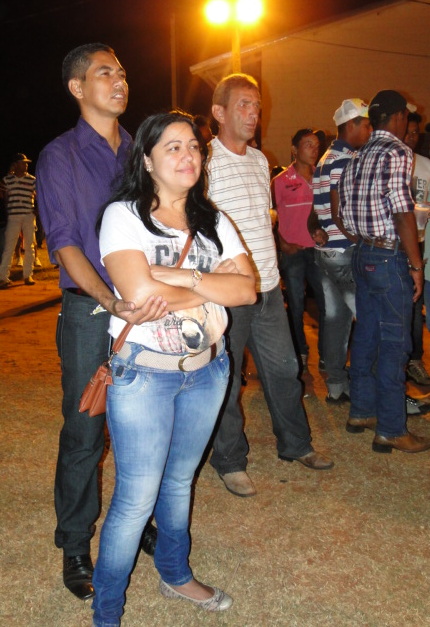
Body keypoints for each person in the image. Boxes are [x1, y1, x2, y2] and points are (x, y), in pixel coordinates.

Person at [92, 111, 256, 625]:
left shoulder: (215, 220)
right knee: (135, 499)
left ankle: (174, 572)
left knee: (180, 481)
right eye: (173, 147)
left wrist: (180, 277)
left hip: (208, 370)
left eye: (194, 147)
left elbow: (248, 291)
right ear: (147, 160)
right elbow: (139, 293)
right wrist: (211, 282)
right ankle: (107, 612)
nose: (189, 156)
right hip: (144, 373)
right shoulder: (123, 216)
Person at [36, 43, 165, 602]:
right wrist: (110, 302)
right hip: (93, 312)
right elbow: (65, 242)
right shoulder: (59, 156)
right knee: (86, 429)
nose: (119, 81)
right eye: (104, 73)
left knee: (144, 426)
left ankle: (137, 521)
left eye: (122, 72)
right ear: (77, 87)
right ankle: (74, 542)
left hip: (148, 306)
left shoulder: (141, 151)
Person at [207, 73, 334, 499]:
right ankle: (230, 460)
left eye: (257, 106)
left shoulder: (262, 161)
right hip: (229, 292)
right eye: (243, 105)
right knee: (227, 379)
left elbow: (262, 222)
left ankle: (296, 444)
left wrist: (273, 276)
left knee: (284, 370)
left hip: (266, 288)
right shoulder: (204, 162)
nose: (254, 114)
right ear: (219, 112)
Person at [338, 89, 430, 454]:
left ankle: (362, 411)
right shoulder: (397, 151)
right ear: (398, 117)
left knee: (366, 335)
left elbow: (342, 210)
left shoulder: (357, 156)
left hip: (363, 252)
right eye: (406, 117)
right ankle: (391, 428)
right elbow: (401, 209)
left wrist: (364, 238)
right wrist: (416, 264)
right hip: (389, 258)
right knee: (394, 343)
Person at [309, 99, 371, 404]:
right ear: (351, 125)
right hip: (344, 251)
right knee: (370, 319)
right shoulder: (345, 159)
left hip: (326, 253)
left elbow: (319, 209)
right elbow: (338, 209)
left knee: (335, 320)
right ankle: (370, 387)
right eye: (366, 125)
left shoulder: (325, 159)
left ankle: (336, 386)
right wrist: (357, 238)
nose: (370, 131)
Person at [272, 128, 325, 371]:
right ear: (294, 149)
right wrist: (283, 244)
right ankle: (300, 350)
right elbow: (269, 217)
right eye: (308, 145)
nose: (314, 150)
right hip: (293, 252)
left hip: (318, 251)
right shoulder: (280, 181)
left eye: (316, 145)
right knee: (295, 304)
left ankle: (326, 353)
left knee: (326, 304)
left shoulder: (322, 178)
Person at [404, 112, 430, 386]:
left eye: (415, 133)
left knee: (415, 303)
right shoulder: (391, 163)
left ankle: (415, 359)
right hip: (394, 245)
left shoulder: (426, 165)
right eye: (408, 131)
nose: (412, 137)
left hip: (421, 243)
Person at [0, 153, 37, 287]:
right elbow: (3, 196)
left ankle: (28, 275)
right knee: (9, 247)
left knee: (29, 246)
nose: (26, 165)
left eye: (26, 163)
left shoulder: (32, 180)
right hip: (13, 216)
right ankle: (3, 277)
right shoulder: (7, 180)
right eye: (23, 162)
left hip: (28, 216)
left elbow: (38, 196)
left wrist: (35, 210)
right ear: (15, 165)